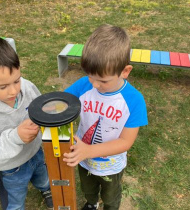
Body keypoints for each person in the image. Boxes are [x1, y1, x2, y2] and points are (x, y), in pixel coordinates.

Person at [63, 24, 148, 210]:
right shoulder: (84, 84)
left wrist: (89, 151)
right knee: (88, 190)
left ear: (125, 71)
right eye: (89, 76)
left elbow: (125, 142)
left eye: (102, 80)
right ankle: (92, 204)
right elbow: (62, 101)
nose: (94, 84)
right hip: (83, 160)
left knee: (110, 197)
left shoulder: (134, 101)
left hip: (111, 166)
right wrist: (39, 113)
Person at [0, 36, 53, 210]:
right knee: (16, 199)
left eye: (16, 80)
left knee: (43, 178)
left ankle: (46, 190)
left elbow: (41, 108)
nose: (14, 90)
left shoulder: (26, 87)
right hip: (11, 168)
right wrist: (15, 137)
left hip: (36, 153)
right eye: (3, 87)